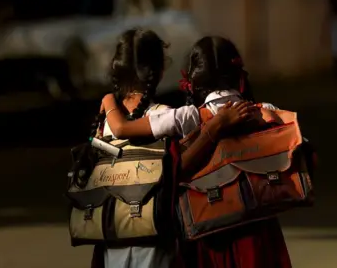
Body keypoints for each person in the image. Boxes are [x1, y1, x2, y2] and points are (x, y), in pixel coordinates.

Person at [101, 35, 293, 268]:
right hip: (262, 233)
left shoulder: (185, 117)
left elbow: (125, 130)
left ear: (192, 81)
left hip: (209, 233)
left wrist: (108, 100)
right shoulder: (265, 112)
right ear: (239, 76)